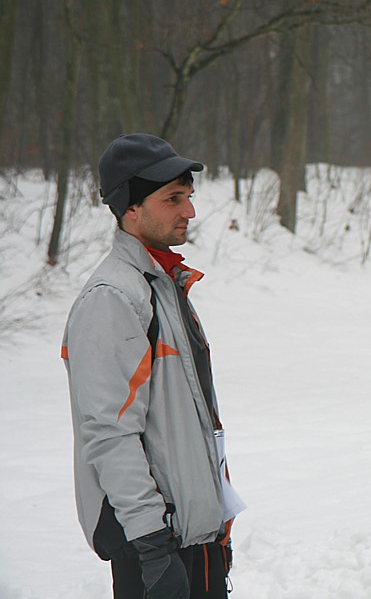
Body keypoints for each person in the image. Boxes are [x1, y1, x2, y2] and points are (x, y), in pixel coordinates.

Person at [63, 133, 242, 599]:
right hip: (155, 545)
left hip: (193, 535)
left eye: (189, 197)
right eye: (173, 199)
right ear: (131, 208)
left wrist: (215, 522)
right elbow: (109, 432)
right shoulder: (113, 299)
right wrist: (151, 548)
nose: (190, 211)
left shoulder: (163, 284)